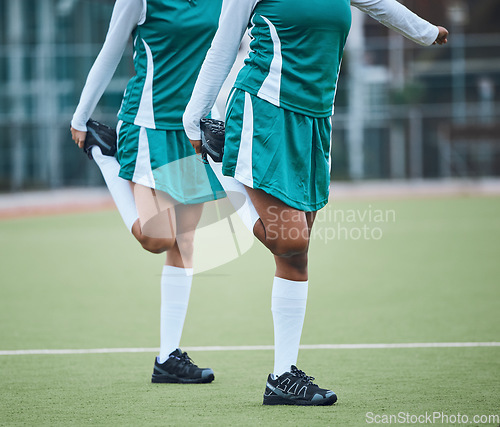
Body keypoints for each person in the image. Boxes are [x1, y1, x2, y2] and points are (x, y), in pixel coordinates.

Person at [183, 0, 448, 405]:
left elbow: (379, 5)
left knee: (295, 255)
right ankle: (222, 171)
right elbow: (224, 42)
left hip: (315, 120)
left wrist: (425, 32)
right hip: (265, 109)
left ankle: (282, 377)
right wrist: (194, 116)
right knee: (293, 242)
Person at [70, 0, 224, 384]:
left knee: (184, 244)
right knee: (158, 238)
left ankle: (168, 357)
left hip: (191, 130)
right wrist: (79, 116)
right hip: (147, 125)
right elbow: (109, 52)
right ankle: (105, 156)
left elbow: (226, 56)